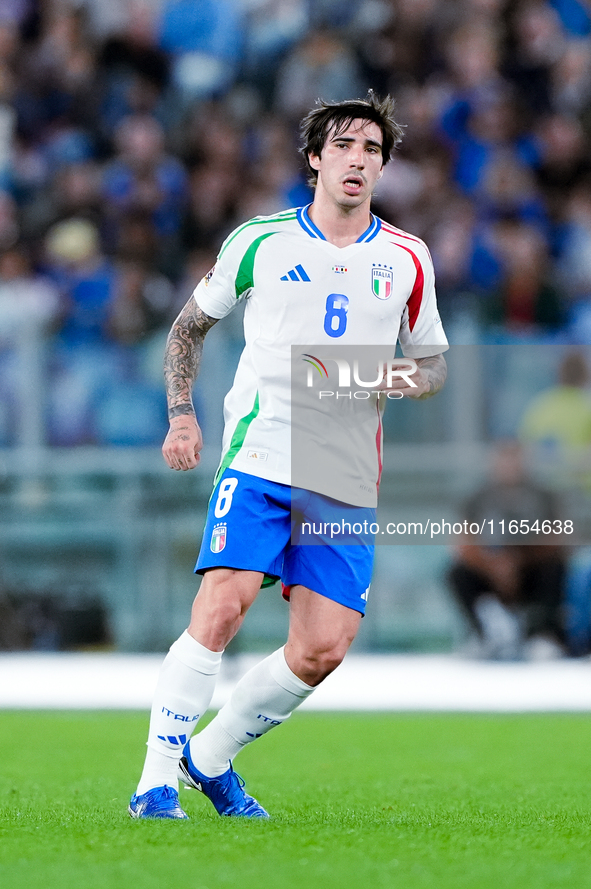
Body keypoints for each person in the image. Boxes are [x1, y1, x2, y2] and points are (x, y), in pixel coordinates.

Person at [129, 92, 449, 820]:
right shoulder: (260, 241)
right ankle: (153, 781)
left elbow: (430, 368)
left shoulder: (407, 258)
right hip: (262, 451)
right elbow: (187, 329)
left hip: (342, 474)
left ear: (382, 167)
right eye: (343, 145)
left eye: (371, 150)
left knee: (321, 649)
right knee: (222, 606)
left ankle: (207, 761)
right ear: (314, 158)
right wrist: (182, 416)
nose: (357, 160)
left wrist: (365, 375)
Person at [447, 440, 568, 661]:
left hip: (531, 567)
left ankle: (541, 634)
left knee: (556, 569)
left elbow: (558, 536)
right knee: (456, 573)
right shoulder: (477, 498)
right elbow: (461, 543)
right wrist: (494, 566)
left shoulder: (544, 496)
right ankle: (485, 634)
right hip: (488, 569)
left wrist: (518, 561)